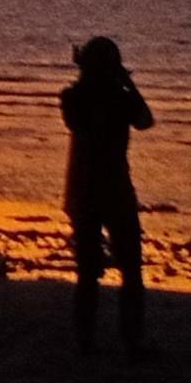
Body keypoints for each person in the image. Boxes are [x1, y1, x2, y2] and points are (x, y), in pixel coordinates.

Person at [60, 36, 154, 355]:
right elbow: (145, 120)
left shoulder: (74, 97)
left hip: (87, 190)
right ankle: (130, 339)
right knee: (129, 268)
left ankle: (88, 341)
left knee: (89, 271)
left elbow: (143, 121)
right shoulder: (114, 98)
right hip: (113, 189)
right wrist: (128, 85)